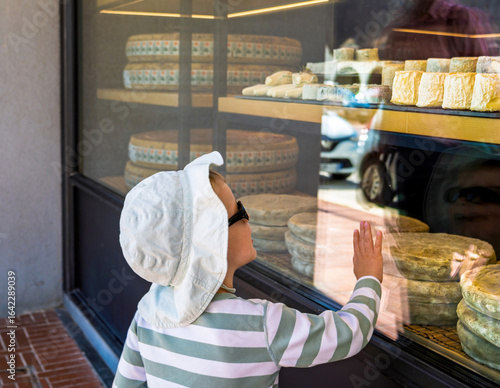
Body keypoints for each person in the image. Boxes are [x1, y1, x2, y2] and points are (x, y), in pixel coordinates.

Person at [113, 151, 383, 387]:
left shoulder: (148, 315)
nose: (249, 216)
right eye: (239, 211)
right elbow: (349, 333)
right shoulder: (262, 325)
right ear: (213, 241)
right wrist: (369, 277)